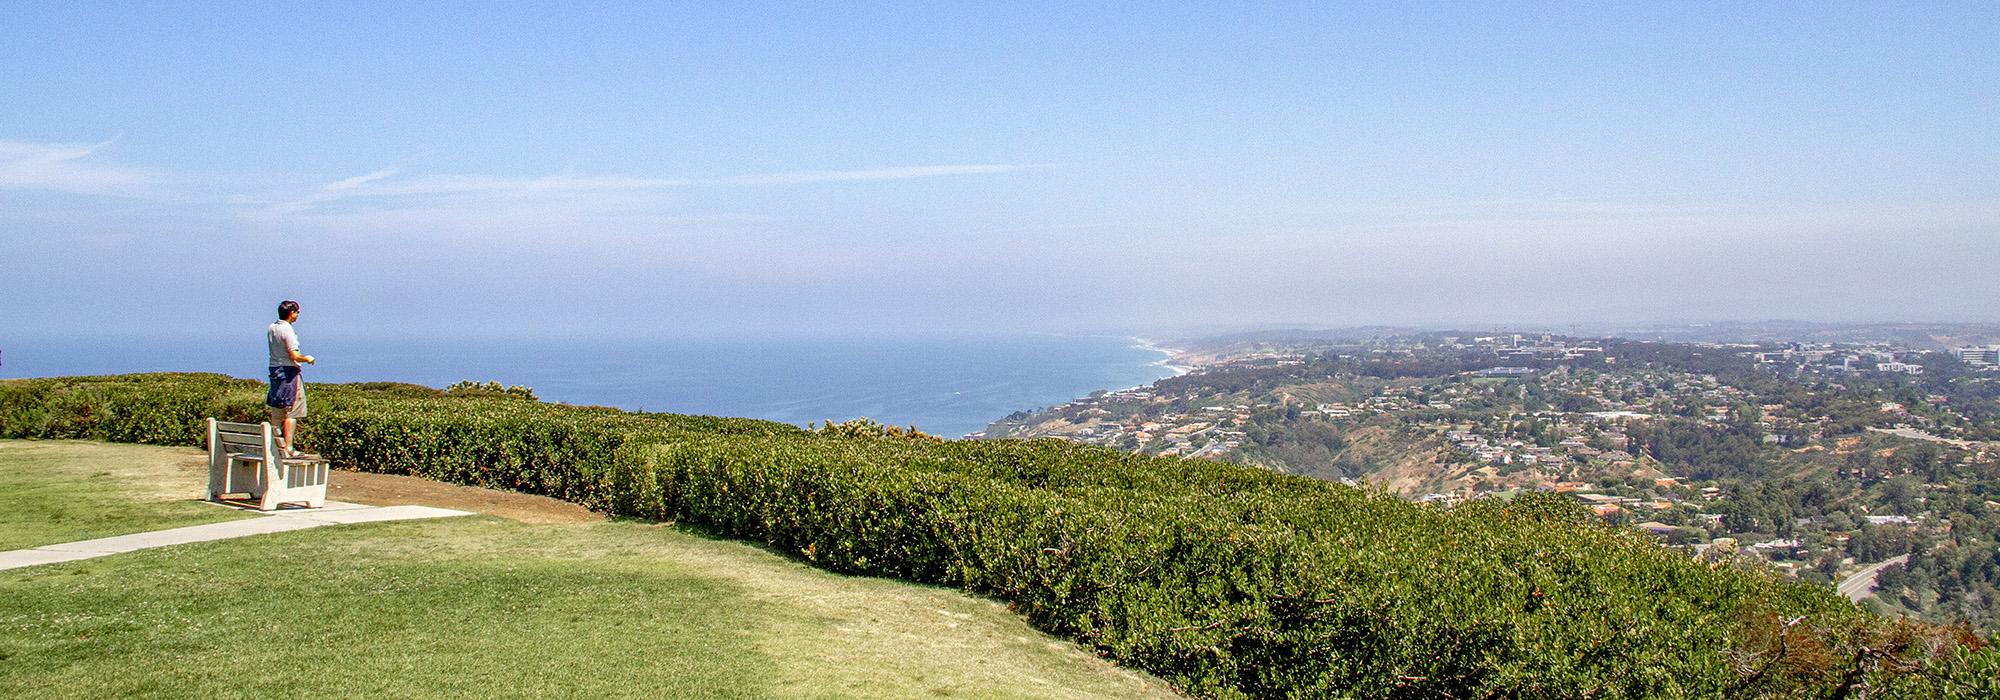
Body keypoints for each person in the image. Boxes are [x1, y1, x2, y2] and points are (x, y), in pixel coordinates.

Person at [266, 300, 317, 456]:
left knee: (277, 410)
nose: (298, 314)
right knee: (292, 411)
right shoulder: (288, 330)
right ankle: (288, 448)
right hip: (289, 373)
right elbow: (293, 355)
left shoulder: (272, 328)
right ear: (291, 313)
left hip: (275, 371)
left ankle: (274, 447)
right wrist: (307, 358)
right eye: (297, 312)